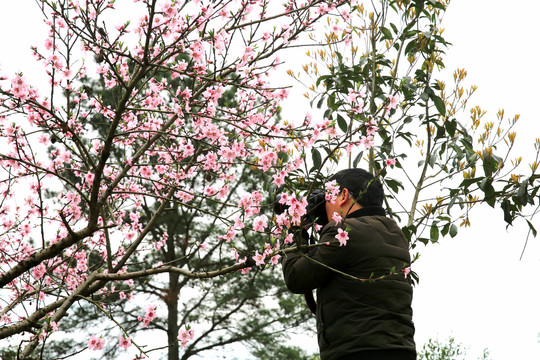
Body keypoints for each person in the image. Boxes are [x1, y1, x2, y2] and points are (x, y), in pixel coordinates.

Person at [281, 168, 416, 360]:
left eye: (327, 198)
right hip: (401, 348)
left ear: (343, 195)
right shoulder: (394, 232)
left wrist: (294, 231)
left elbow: (296, 277)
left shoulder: (344, 231)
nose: (325, 206)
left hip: (357, 350)